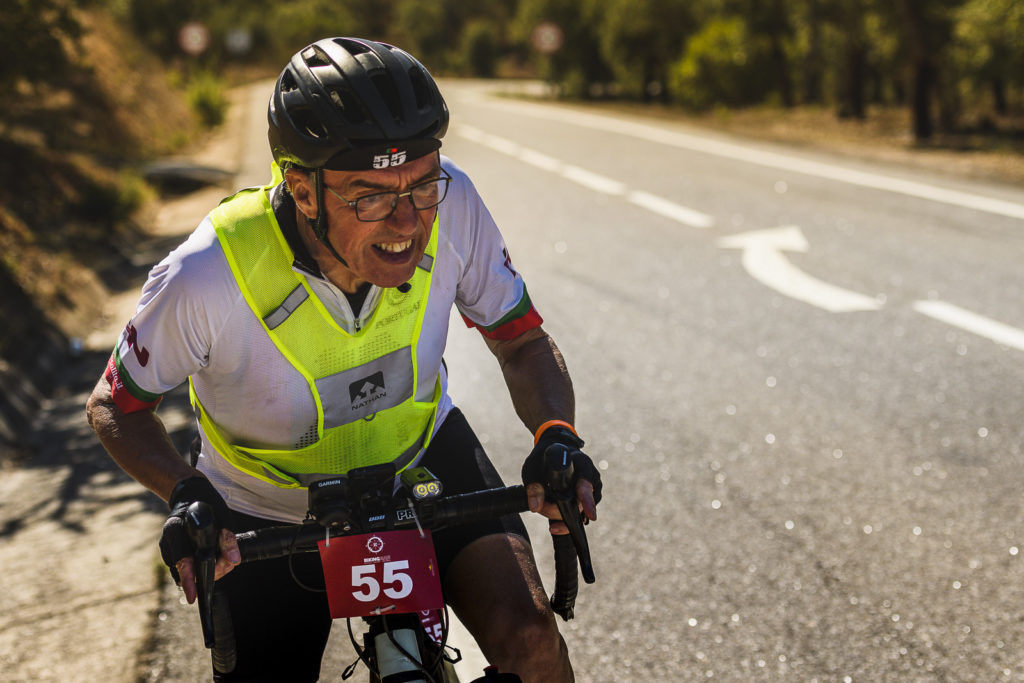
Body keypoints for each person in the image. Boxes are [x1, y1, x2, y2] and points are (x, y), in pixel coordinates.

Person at [85, 37, 601, 682]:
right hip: (266, 505)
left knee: (531, 640)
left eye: (422, 185)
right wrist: (185, 493)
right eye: (370, 196)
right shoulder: (207, 273)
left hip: (421, 460)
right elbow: (115, 406)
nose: (408, 222)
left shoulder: (455, 204)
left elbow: (521, 340)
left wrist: (556, 435)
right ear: (302, 190)